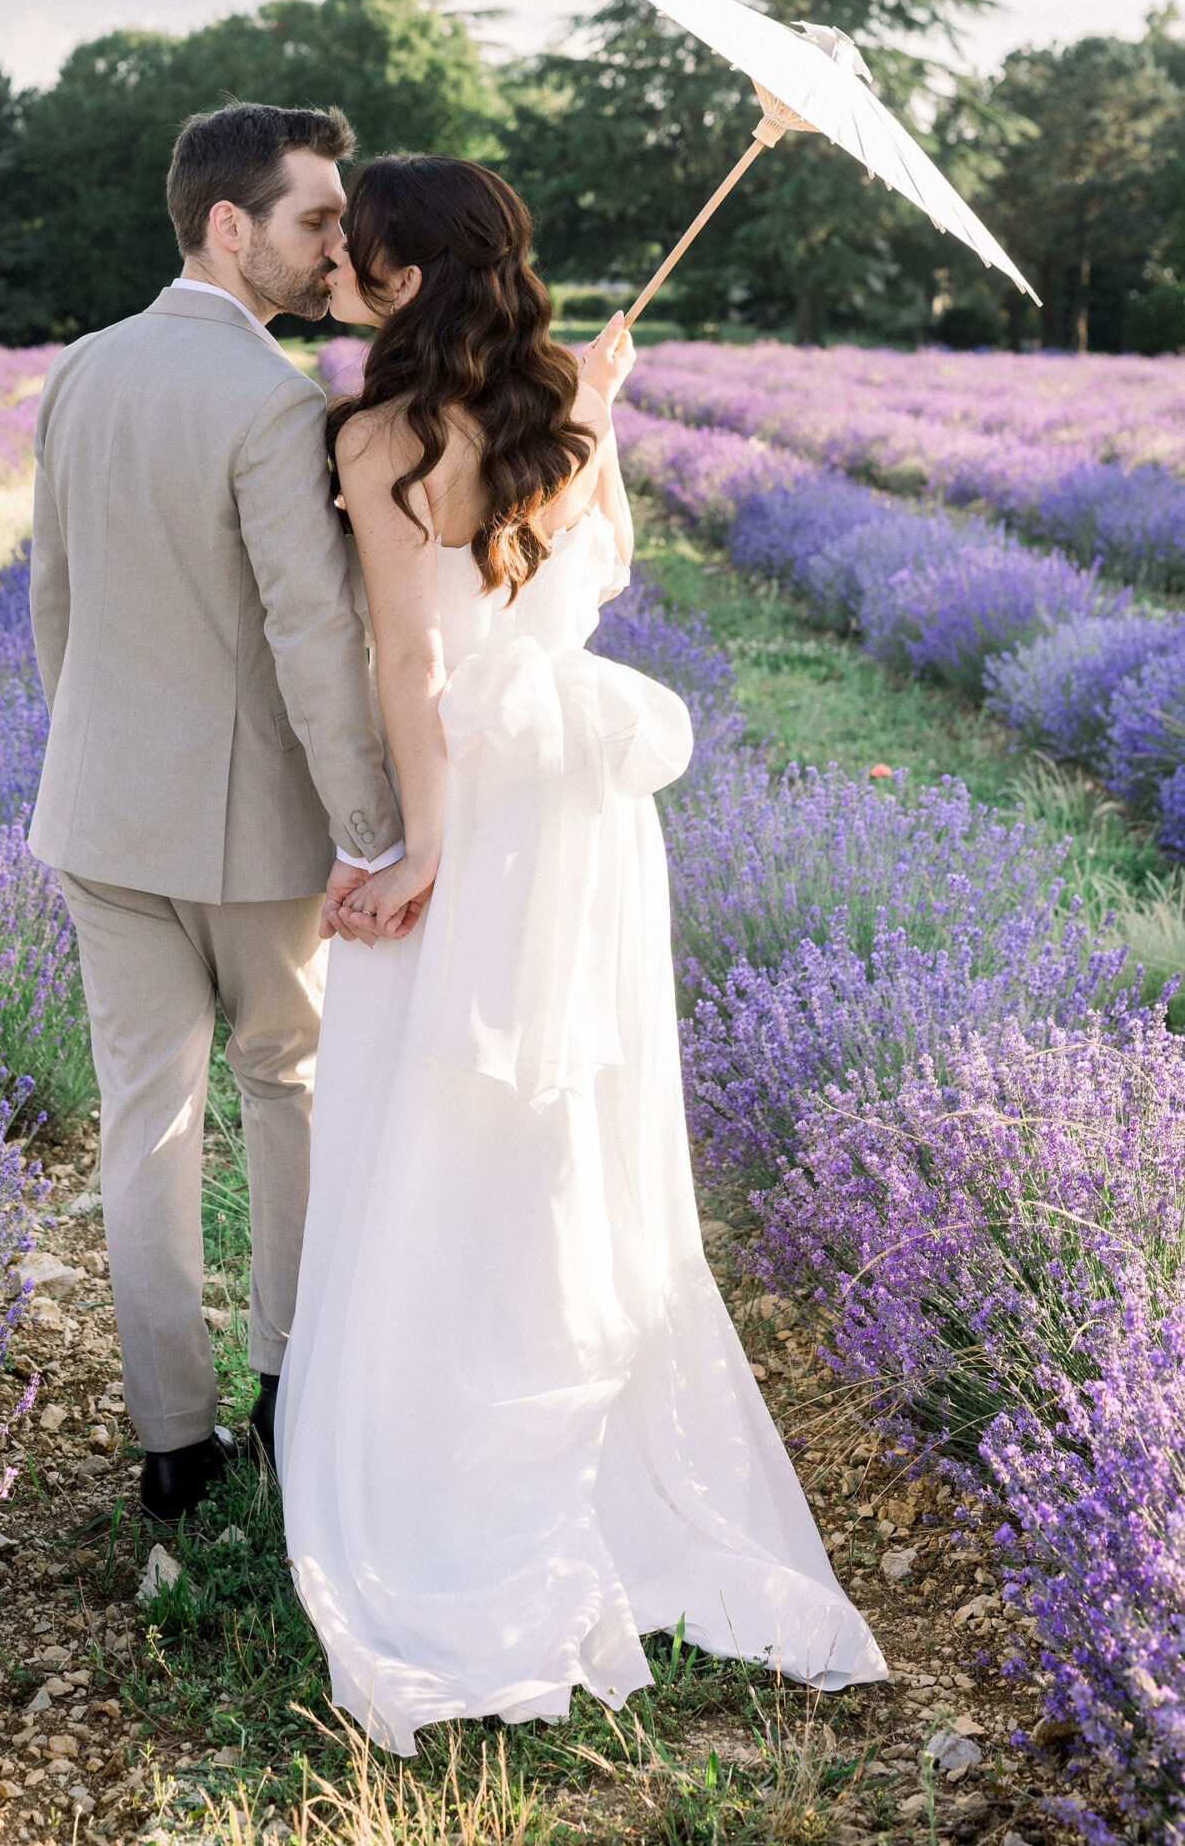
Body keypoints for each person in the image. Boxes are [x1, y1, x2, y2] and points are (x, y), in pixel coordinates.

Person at [277, 154, 886, 1752]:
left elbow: (412, 658)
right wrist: (596, 410)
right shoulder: (563, 416)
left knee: (434, 1104)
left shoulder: (379, 435)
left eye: (359, 249)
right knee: (565, 1114)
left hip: (483, 796)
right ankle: (571, 1409)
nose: (338, 266)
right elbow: (594, 574)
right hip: (587, 816)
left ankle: (454, 1453)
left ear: (410, 279)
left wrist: (418, 846)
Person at [26, 102, 411, 1526]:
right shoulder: (273, 401)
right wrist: (370, 829)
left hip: (99, 811)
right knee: (287, 1089)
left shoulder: (80, 368)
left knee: (146, 1121)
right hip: (253, 834)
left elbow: (54, 598)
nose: (336, 246)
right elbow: (314, 638)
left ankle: (170, 1445)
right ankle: (288, 1390)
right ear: (229, 225)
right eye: (316, 218)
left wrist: (94, 753)